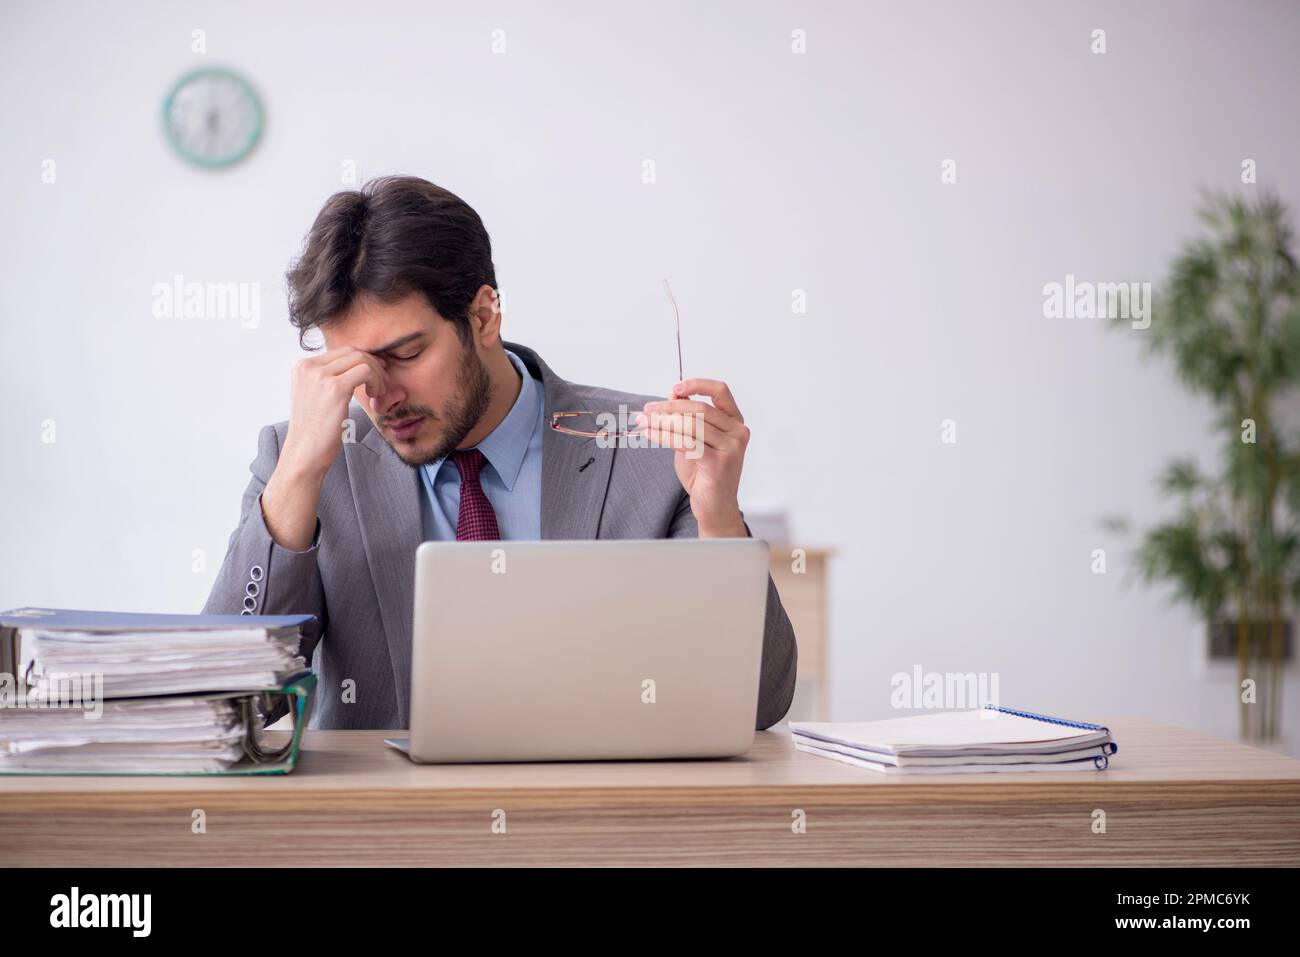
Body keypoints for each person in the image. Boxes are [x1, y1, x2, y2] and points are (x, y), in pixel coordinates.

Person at [202, 175, 797, 730]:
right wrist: (299, 475)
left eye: (405, 355)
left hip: (592, 827)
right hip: (388, 833)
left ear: (484, 315)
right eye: (351, 367)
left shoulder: (649, 451)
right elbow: (228, 707)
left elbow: (756, 704)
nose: (378, 396)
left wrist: (719, 518)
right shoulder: (303, 462)